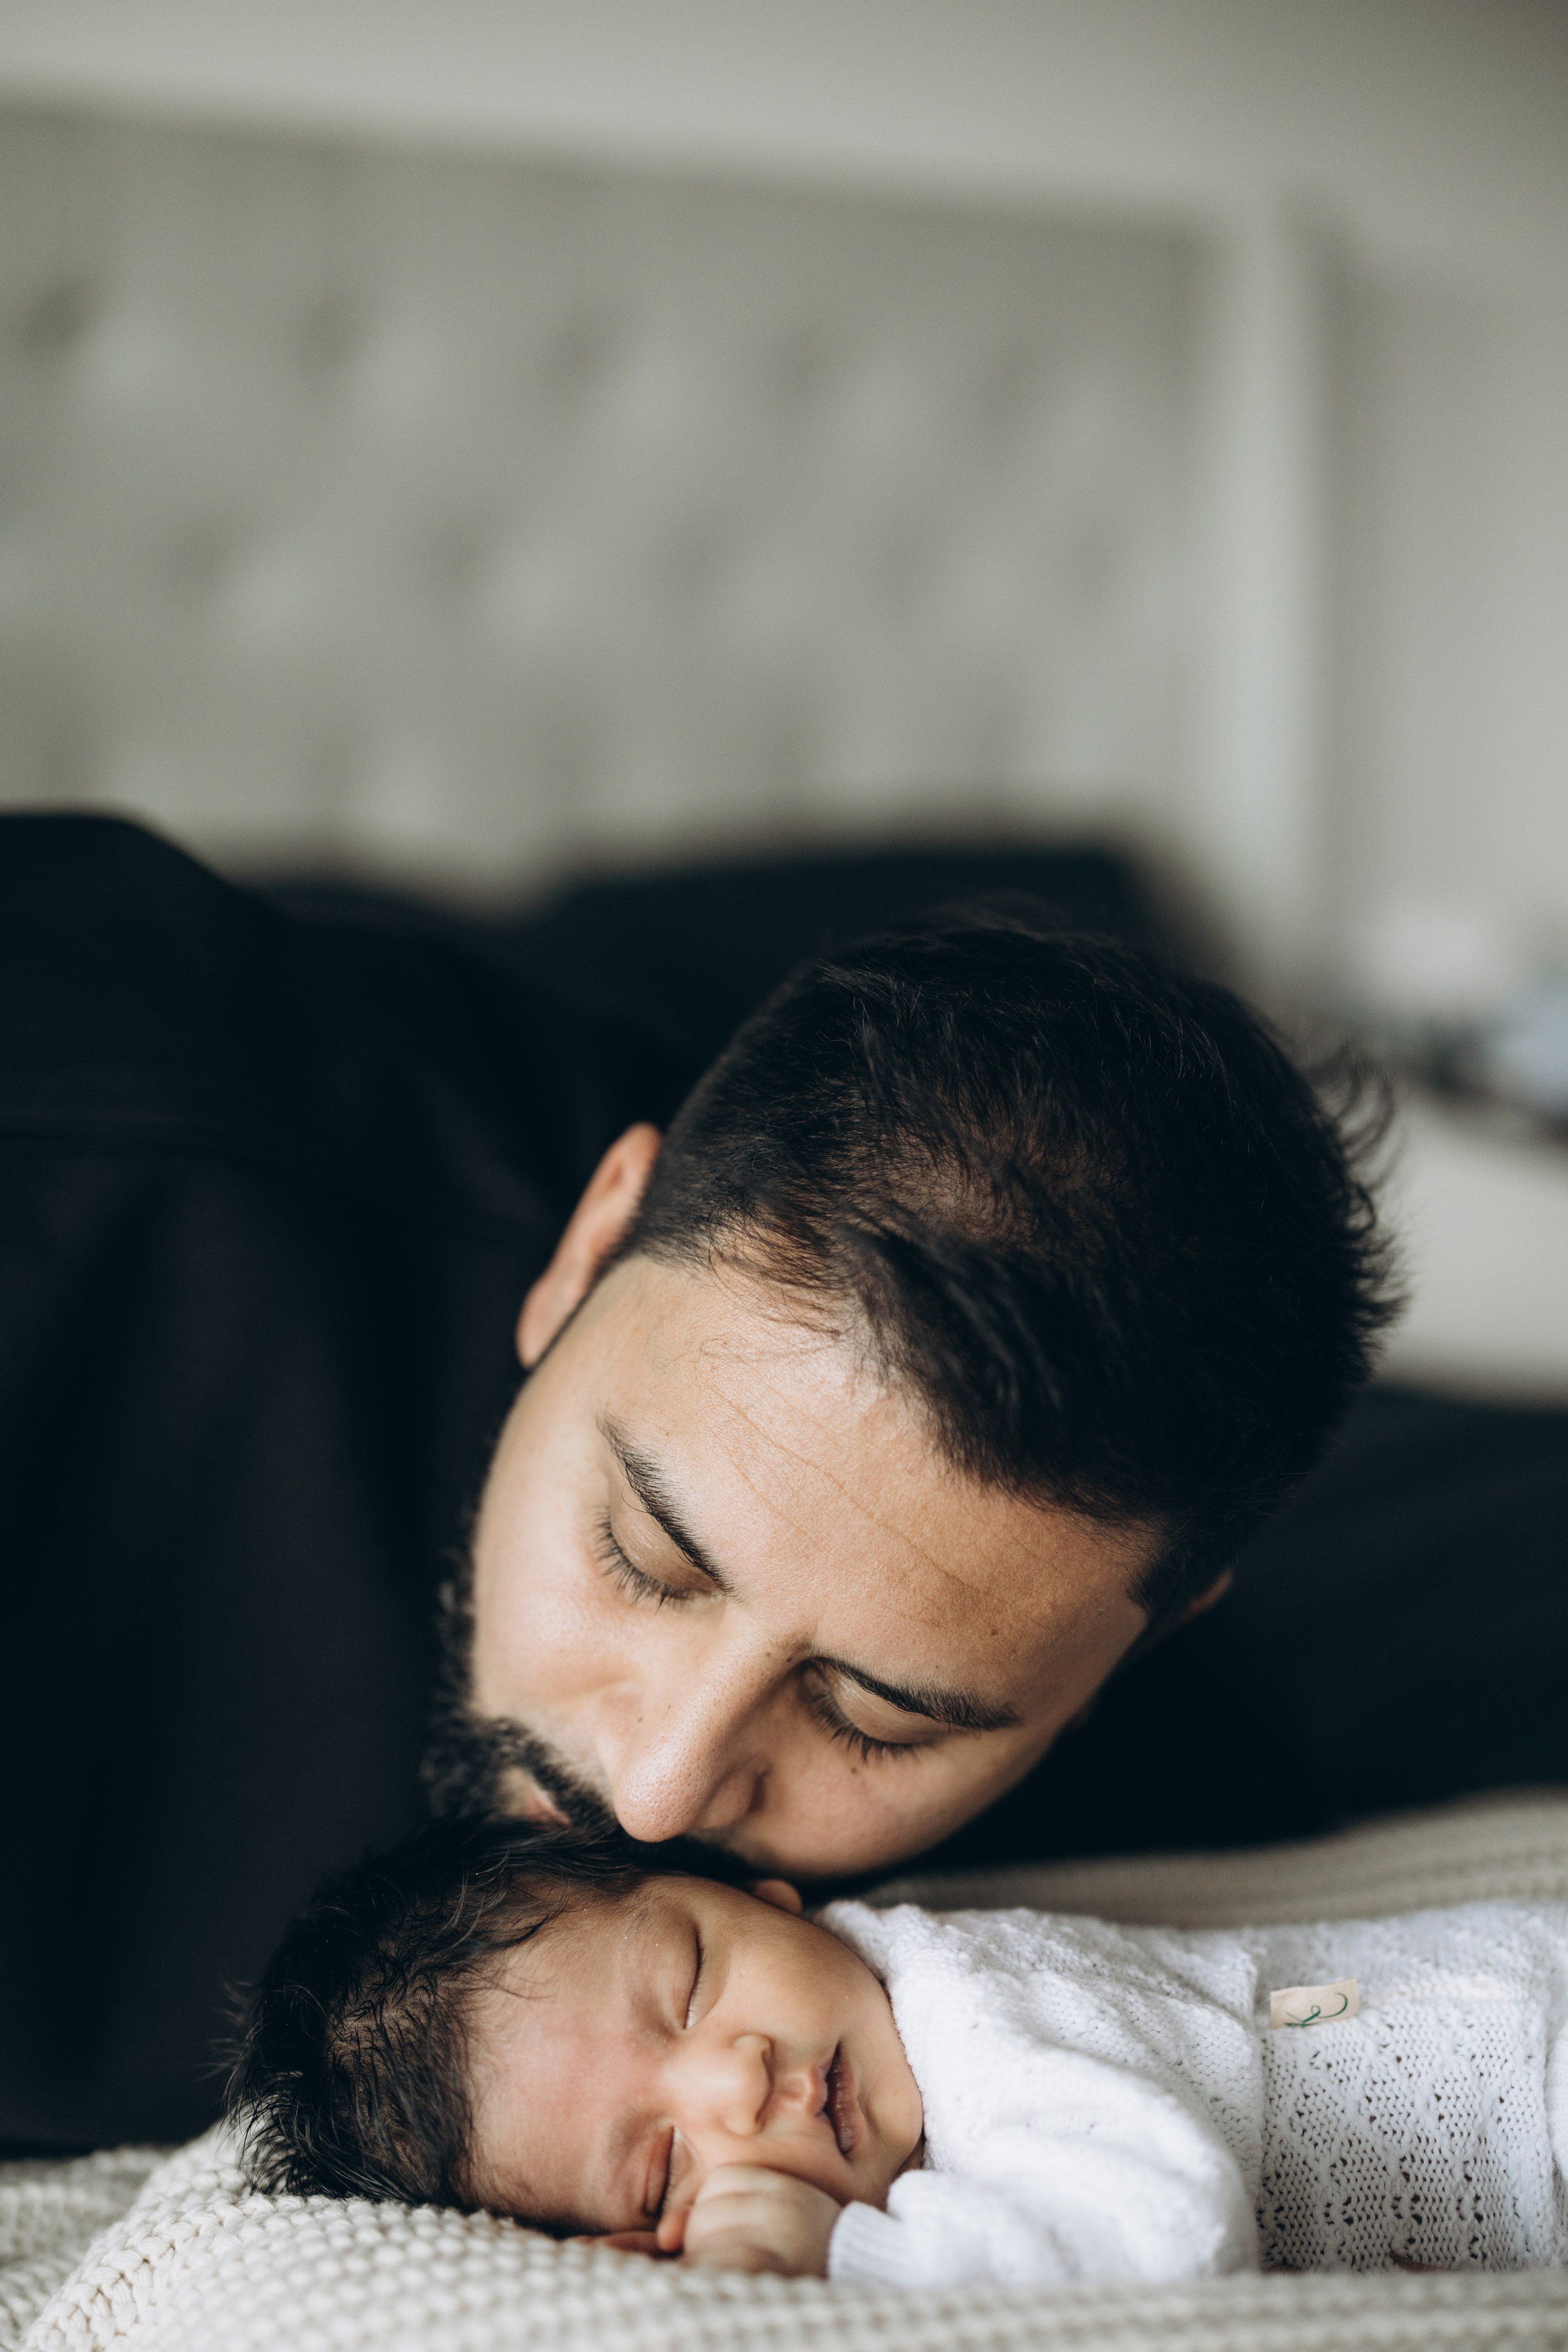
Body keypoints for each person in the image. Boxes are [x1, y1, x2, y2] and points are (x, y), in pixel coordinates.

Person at [8, 810, 1566, 2156]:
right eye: (645, 1555)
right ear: (587, 1250)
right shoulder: (95, 1171)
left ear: (1143, 1643)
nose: (657, 1789)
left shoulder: (1159, 1779)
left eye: (875, 1717)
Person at [229, 1817, 1568, 2281]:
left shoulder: (975, 2008)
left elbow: (1167, 2236)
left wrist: (839, 2253)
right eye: (660, 2170)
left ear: (761, 1899)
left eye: (690, 1983)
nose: (734, 2079)